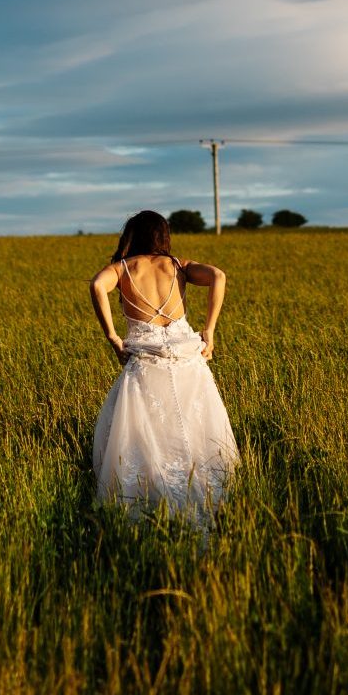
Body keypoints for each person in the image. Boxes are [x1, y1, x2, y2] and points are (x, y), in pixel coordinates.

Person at [86, 210, 236, 525]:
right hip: (187, 357)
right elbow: (219, 276)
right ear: (163, 236)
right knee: (192, 426)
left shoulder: (123, 268)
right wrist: (209, 330)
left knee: (146, 429)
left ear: (132, 236)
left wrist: (113, 337)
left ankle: (153, 500)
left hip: (145, 357)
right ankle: (206, 498)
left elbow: (97, 285)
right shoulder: (178, 265)